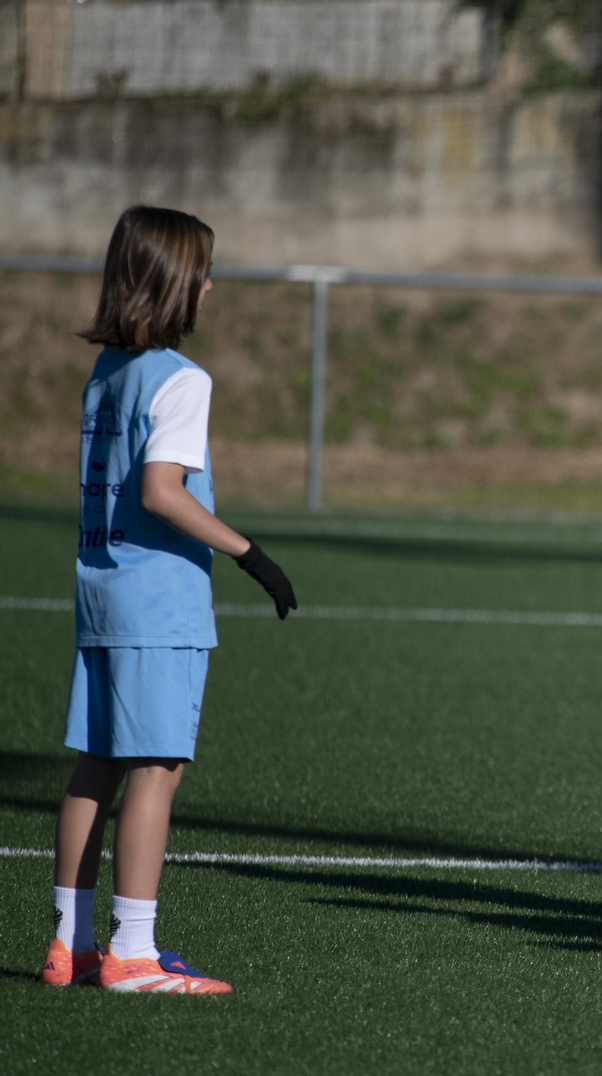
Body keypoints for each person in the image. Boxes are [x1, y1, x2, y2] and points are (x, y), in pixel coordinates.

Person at [42, 206, 298, 994]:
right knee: (156, 766)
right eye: (204, 273)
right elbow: (162, 492)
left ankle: (69, 945)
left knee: (97, 766)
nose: (212, 285)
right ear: (175, 284)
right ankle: (133, 954)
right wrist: (250, 553)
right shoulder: (183, 379)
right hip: (158, 603)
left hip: (100, 591)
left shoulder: (108, 371)